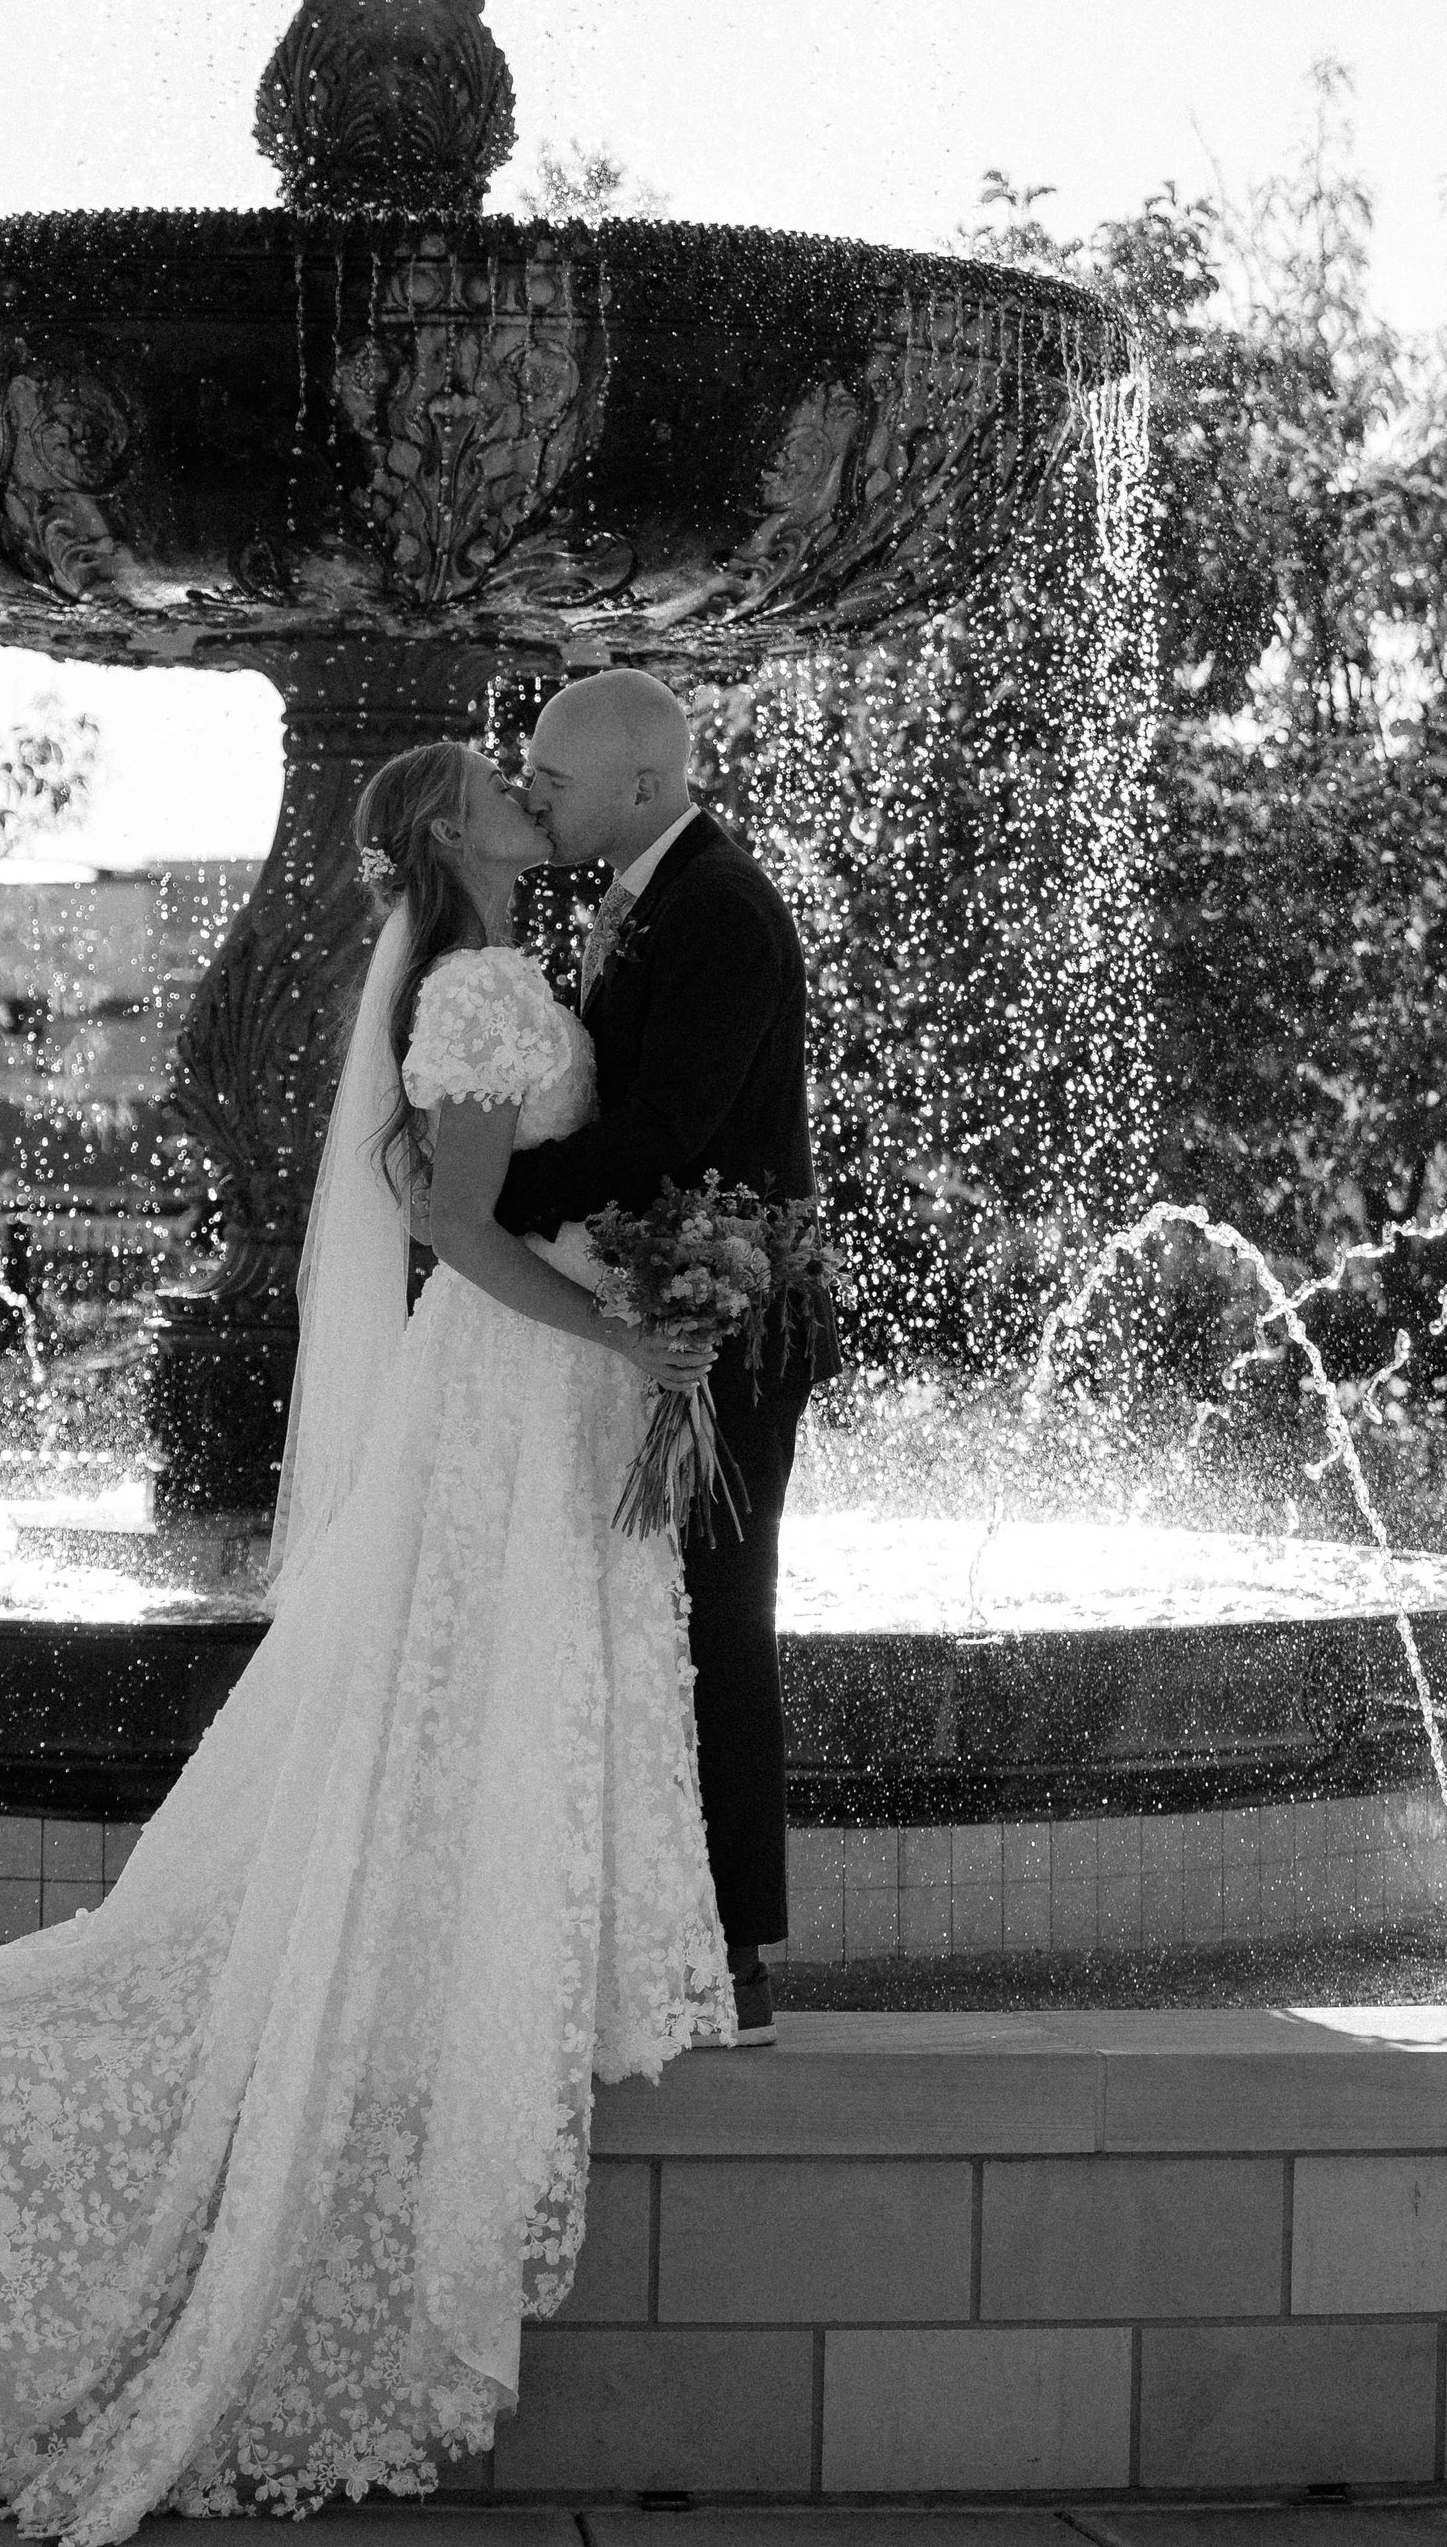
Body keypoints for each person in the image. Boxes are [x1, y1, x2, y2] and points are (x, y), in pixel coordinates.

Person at [0, 739, 731, 2538]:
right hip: (513, 1388)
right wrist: (616, 1337)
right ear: (457, 830)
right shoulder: (472, 983)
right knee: (449, 1684)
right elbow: (451, 1221)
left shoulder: (509, 970)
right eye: (506, 783)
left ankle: (509, 1946)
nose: (535, 790)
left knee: (479, 1689)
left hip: (537, 1389)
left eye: (546, 773)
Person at [499, 667, 836, 2048]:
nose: (535, 795)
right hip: (670, 1304)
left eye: (554, 778)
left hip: (732, 1325)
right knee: (661, 1624)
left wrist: (485, 1203)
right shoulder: (641, 895)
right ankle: (659, 1926)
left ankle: (739, 1953)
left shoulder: (724, 911)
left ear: (639, 782)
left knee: (717, 1620)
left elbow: (668, 1127)